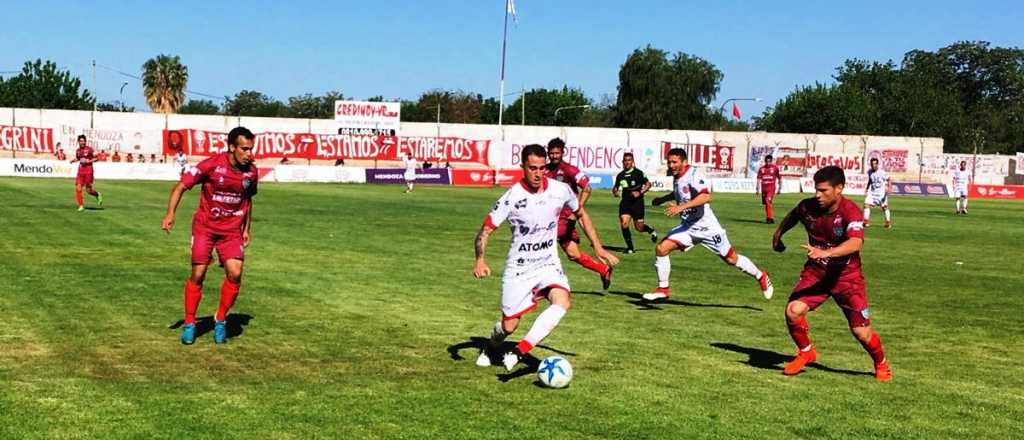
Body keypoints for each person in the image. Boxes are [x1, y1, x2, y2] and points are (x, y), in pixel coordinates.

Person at [473, 144, 619, 371]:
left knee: (562, 301)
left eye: (542, 168)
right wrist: (480, 259)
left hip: (548, 263)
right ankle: (490, 347)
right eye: (532, 168)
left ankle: (519, 351)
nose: (538, 173)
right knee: (509, 326)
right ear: (523, 167)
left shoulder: (560, 190)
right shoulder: (513, 196)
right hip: (519, 268)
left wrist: (598, 247)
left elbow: (581, 214)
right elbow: (485, 231)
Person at [771, 165, 891, 381]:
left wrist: (827, 252)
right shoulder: (807, 207)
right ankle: (806, 351)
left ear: (839, 189)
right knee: (793, 311)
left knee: (861, 333)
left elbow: (856, 243)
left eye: (823, 190)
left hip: (847, 278)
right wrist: (778, 234)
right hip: (816, 274)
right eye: (816, 189)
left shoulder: (850, 212)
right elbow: (794, 215)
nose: (818, 195)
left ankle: (881, 363)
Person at [161, 127, 259, 345]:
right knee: (198, 273)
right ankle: (190, 323)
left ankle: (220, 319)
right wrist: (170, 213)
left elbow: (248, 199)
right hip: (205, 228)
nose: (249, 154)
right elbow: (180, 187)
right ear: (232, 147)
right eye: (244, 149)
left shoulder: (252, 172)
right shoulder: (211, 165)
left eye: (251, 149)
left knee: (235, 273)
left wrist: (247, 228)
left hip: (231, 230)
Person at [645, 148, 773, 301]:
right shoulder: (677, 175)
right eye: (669, 162)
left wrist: (680, 207)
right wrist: (662, 199)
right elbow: (681, 191)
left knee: (731, 259)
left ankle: (761, 276)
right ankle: (663, 289)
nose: (671, 165)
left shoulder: (694, 174)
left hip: (708, 228)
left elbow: (705, 196)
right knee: (661, 248)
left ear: (684, 162)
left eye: (674, 162)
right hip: (689, 227)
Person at [545, 138, 614, 289]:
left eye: (557, 153)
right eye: (551, 153)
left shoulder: (569, 170)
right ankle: (603, 269)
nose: (554, 156)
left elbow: (587, 188)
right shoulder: (544, 170)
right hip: (549, 216)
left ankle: (540, 284)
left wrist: (576, 210)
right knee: (573, 254)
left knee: (541, 247)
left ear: (563, 153)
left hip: (564, 218)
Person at [612, 152, 657, 253]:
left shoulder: (638, 173)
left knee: (639, 228)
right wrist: (615, 192)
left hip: (637, 203)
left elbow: (648, 184)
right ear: (622, 162)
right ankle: (630, 248)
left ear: (632, 161)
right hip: (625, 203)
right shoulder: (620, 175)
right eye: (625, 160)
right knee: (624, 224)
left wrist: (640, 192)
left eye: (629, 160)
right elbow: (615, 188)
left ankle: (650, 229)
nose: (627, 162)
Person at [70, 135, 103, 211]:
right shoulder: (78, 150)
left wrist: (88, 161)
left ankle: (97, 194)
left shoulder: (89, 149)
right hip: (80, 171)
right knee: (78, 187)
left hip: (89, 170)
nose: (82, 142)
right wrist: (73, 160)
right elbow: (78, 158)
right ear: (78, 142)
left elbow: (97, 158)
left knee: (88, 190)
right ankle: (81, 206)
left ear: (85, 141)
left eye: (83, 141)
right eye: (81, 141)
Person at [863, 158, 892, 228]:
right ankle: (866, 222)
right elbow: (870, 180)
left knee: (885, 207)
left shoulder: (882, 172)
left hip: (881, 193)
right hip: (872, 193)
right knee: (866, 205)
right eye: (872, 164)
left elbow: (889, 179)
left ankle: (888, 222)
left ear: (877, 164)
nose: (873, 165)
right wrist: (867, 188)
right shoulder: (869, 172)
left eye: (874, 164)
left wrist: (889, 188)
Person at [756, 154, 782, 223]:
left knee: (767, 201)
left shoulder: (775, 168)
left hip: (771, 189)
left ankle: (769, 218)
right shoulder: (761, 169)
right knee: (767, 203)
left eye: (769, 162)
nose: (768, 163)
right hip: (764, 189)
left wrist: (780, 188)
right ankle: (770, 218)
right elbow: (758, 178)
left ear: (771, 161)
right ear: (765, 161)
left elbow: (779, 178)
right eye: (766, 162)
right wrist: (757, 188)